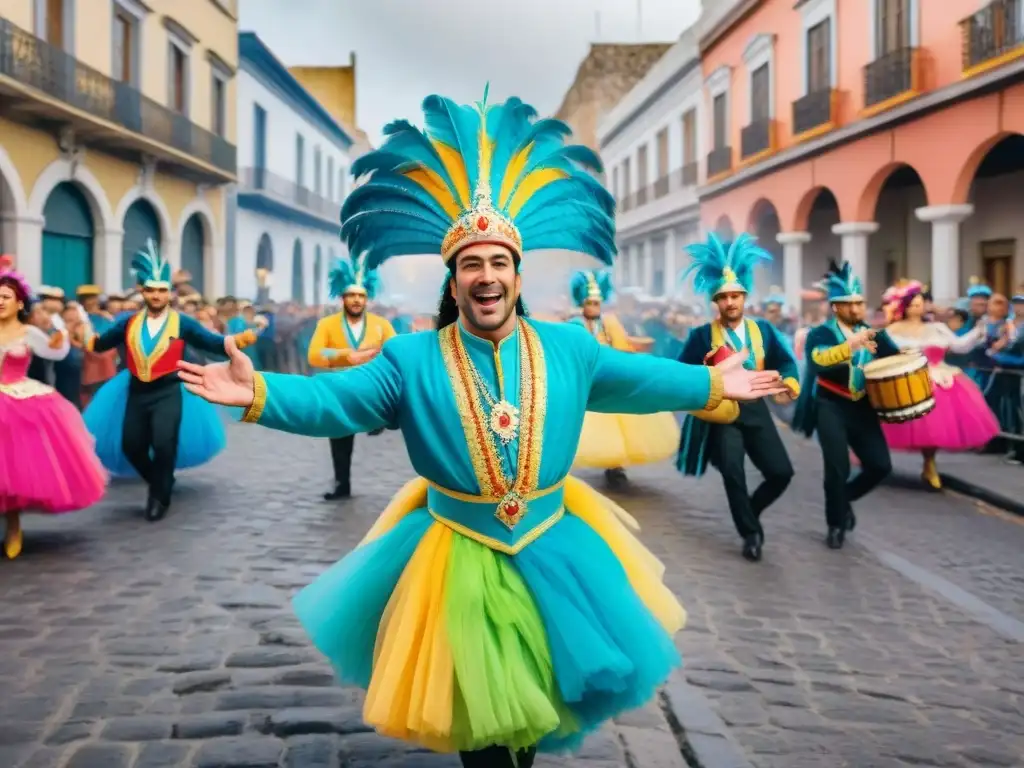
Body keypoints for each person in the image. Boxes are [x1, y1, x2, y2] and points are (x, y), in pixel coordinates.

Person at [176, 89, 788, 768]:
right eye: (473, 264)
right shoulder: (411, 359)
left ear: (516, 275)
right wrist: (259, 390)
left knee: (534, 716)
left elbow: (638, 381)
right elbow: (336, 399)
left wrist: (709, 383)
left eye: (499, 262)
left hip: (552, 545)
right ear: (456, 279)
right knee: (483, 733)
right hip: (458, 551)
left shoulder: (567, 348)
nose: (487, 275)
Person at [83, 240, 257, 521]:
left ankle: (158, 498)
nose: (155, 295)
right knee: (132, 445)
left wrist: (237, 340)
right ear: (142, 291)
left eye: (161, 290)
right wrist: (86, 339)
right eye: (150, 290)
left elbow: (209, 341)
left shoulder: (182, 322)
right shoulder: (128, 322)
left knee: (165, 443)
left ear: (169, 293)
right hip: (136, 391)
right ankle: (159, 480)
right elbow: (103, 343)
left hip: (168, 390)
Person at [677, 233, 799, 562]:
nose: (731, 302)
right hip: (723, 412)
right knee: (733, 471)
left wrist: (790, 383)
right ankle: (751, 534)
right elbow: (680, 373)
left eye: (736, 296)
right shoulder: (701, 336)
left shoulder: (764, 331)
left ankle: (750, 513)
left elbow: (786, 361)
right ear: (715, 302)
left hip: (756, 410)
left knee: (781, 473)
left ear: (744, 297)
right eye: (724, 297)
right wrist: (703, 370)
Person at [0, 256, 106, 559]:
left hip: (18, 399)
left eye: (5, 297)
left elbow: (54, 353)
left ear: (20, 303)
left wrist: (59, 341)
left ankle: (13, 526)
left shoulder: (28, 333)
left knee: (13, 468)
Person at [793, 260, 901, 549]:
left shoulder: (876, 334)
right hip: (830, 405)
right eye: (849, 304)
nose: (856, 309)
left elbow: (896, 360)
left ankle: (844, 500)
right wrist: (851, 345)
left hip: (863, 408)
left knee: (880, 466)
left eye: (859, 303)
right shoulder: (821, 334)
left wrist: (912, 361)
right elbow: (818, 361)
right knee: (837, 466)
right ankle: (836, 524)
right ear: (835, 307)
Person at [880, 279, 996, 489]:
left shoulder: (938, 328)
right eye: (912, 303)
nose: (917, 307)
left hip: (940, 378)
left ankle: (930, 464)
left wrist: (979, 329)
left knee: (934, 425)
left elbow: (959, 346)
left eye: (920, 303)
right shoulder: (893, 330)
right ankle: (877, 460)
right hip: (907, 377)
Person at [568, 268, 679, 487]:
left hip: (609, 379)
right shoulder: (574, 325)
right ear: (582, 303)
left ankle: (615, 465)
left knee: (619, 423)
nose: (594, 307)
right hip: (587, 382)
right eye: (590, 303)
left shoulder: (610, 323)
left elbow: (622, 348)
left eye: (597, 303)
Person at [307, 253, 396, 500]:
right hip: (340, 390)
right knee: (339, 439)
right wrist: (347, 356)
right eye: (351, 296)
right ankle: (341, 483)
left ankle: (380, 420)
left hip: (370, 390)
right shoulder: (327, 324)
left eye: (361, 296)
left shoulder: (381, 325)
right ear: (343, 298)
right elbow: (314, 355)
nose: (356, 300)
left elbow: (395, 354)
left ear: (366, 299)